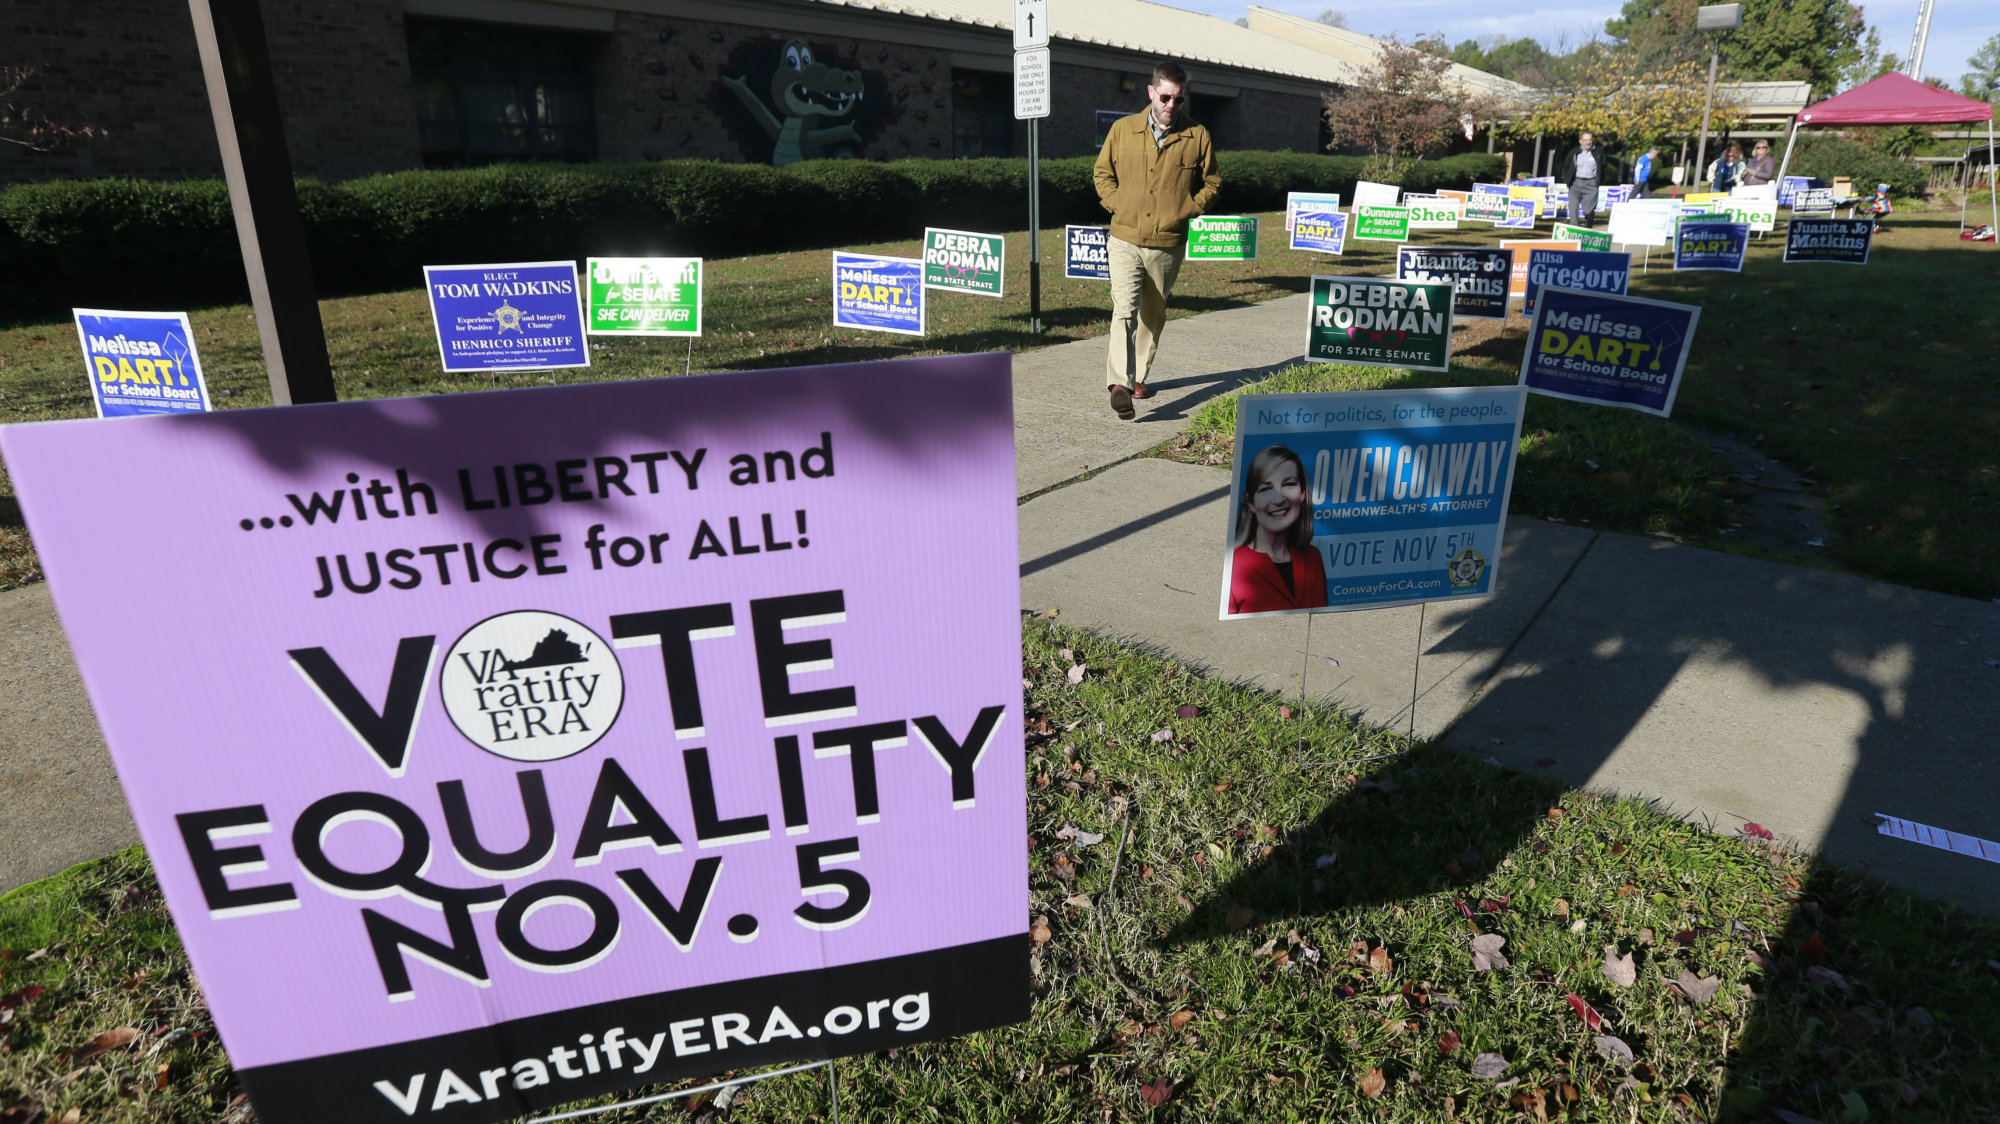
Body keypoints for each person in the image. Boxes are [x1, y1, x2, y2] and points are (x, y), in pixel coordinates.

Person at [1091, 60, 1220, 420]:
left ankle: (1138, 378)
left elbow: (1212, 183)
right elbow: (1103, 172)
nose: (1171, 106)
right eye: (1165, 97)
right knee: (1124, 309)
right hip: (1125, 238)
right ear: (1151, 92)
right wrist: (1116, 203)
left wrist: (1190, 208)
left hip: (1167, 243)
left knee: (1153, 314)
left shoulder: (1197, 136)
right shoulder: (1123, 130)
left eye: (1178, 99)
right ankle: (1119, 383)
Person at [1226, 445, 1327, 616]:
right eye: (1265, 489)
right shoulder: (1234, 564)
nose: (1279, 499)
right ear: (1251, 502)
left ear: (1302, 493)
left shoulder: (1312, 557)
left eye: (1288, 484)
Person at [1557, 131, 1614, 227]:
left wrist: (1597, 182)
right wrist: (1569, 181)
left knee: (1587, 210)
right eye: (1585, 140)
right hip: (1576, 184)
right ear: (1580, 141)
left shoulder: (1598, 152)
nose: (1588, 142)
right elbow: (1566, 166)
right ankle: (1574, 230)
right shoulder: (1574, 152)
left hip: (1591, 184)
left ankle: (1588, 225)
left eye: (1590, 140)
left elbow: (1604, 168)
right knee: (1573, 208)